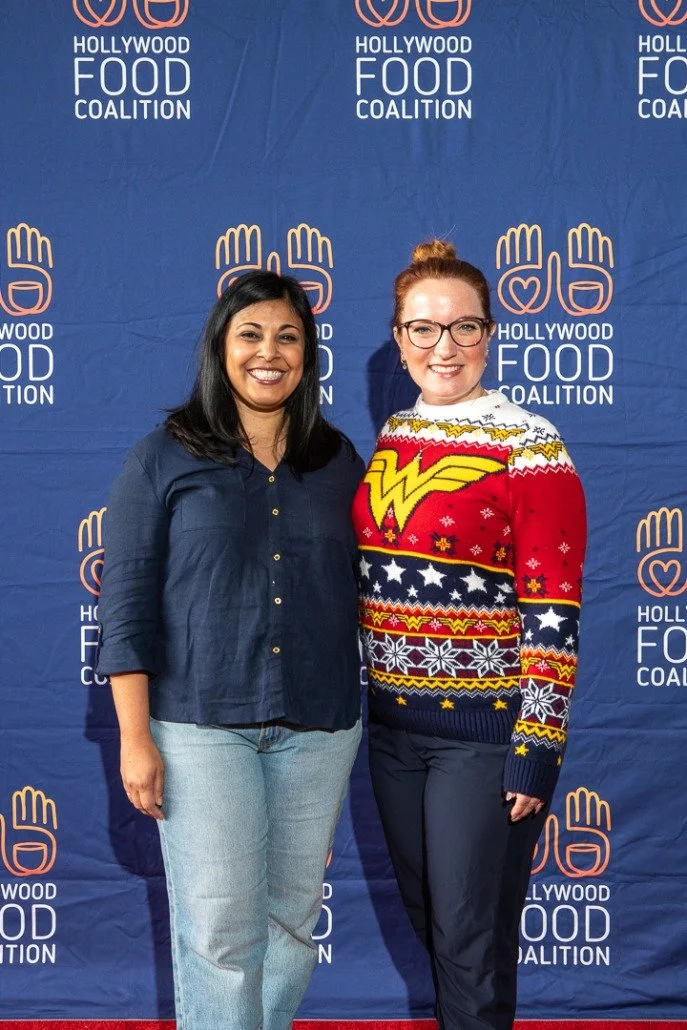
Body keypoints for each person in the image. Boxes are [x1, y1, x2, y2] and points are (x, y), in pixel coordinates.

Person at [96, 270, 363, 1030]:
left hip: (318, 728)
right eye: (250, 334)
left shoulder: (337, 462)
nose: (268, 352)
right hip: (200, 727)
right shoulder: (163, 458)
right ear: (221, 347)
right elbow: (127, 605)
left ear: (307, 357)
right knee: (220, 939)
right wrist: (135, 736)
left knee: (288, 929)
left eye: (287, 337)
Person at [352, 241, 586, 1030]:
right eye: (423, 329)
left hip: (483, 739)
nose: (442, 347)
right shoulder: (391, 433)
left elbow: (552, 606)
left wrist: (536, 744)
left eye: (463, 328)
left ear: (490, 335)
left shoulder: (528, 443)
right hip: (391, 733)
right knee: (440, 932)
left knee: (468, 938)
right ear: (398, 336)